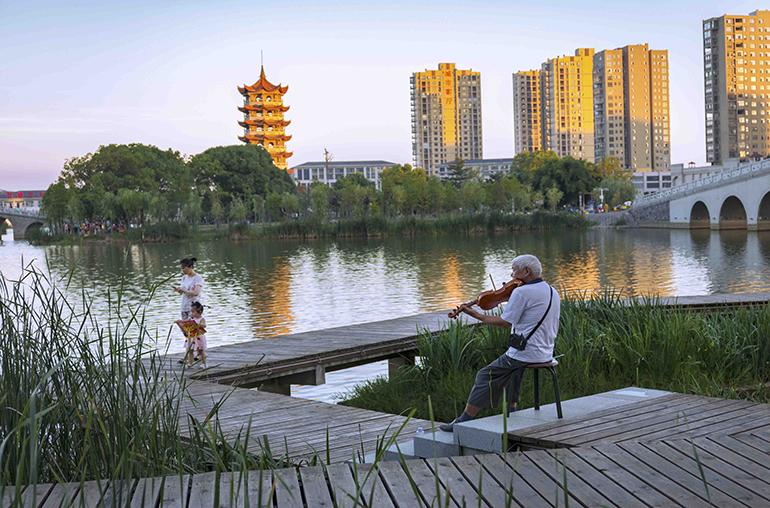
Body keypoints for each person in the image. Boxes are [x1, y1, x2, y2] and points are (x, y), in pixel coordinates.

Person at [440, 254, 561, 432]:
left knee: (485, 374)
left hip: (526, 352)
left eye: (514, 270)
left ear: (526, 272)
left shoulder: (521, 292)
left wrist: (477, 315)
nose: (511, 275)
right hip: (546, 352)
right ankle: (512, 407)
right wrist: (505, 299)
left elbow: (506, 322)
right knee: (514, 369)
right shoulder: (552, 291)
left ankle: (464, 419)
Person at [183, 301, 207, 367]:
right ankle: (190, 363)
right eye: (191, 311)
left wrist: (199, 325)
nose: (192, 313)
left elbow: (204, 325)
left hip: (198, 337)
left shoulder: (201, 319)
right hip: (191, 337)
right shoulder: (191, 318)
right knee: (190, 350)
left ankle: (204, 363)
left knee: (200, 351)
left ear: (199, 312)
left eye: (193, 312)